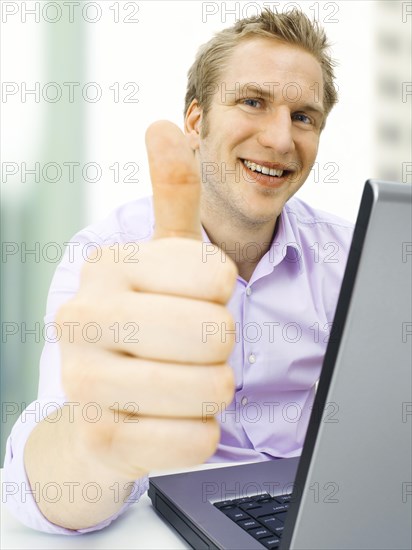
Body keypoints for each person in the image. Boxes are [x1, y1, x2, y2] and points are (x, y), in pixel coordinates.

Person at [3, 8, 354, 534]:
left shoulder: (348, 254)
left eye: (303, 116)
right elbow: (47, 498)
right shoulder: (110, 255)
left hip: (319, 517)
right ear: (196, 122)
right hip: (161, 527)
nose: (282, 140)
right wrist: (105, 427)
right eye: (253, 102)